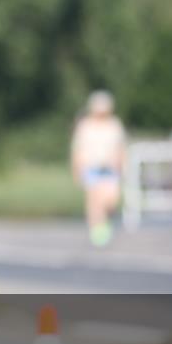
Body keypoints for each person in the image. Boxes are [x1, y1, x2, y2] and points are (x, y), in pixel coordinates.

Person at [70, 90, 126, 247]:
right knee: (94, 201)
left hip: (110, 168)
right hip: (91, 166)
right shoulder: (85, 126)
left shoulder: (114, 125)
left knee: (110, 200)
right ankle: (98, 230)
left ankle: (103, 222)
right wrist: (76, 169)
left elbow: (120, 147)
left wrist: (122, 166)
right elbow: (78, 149)